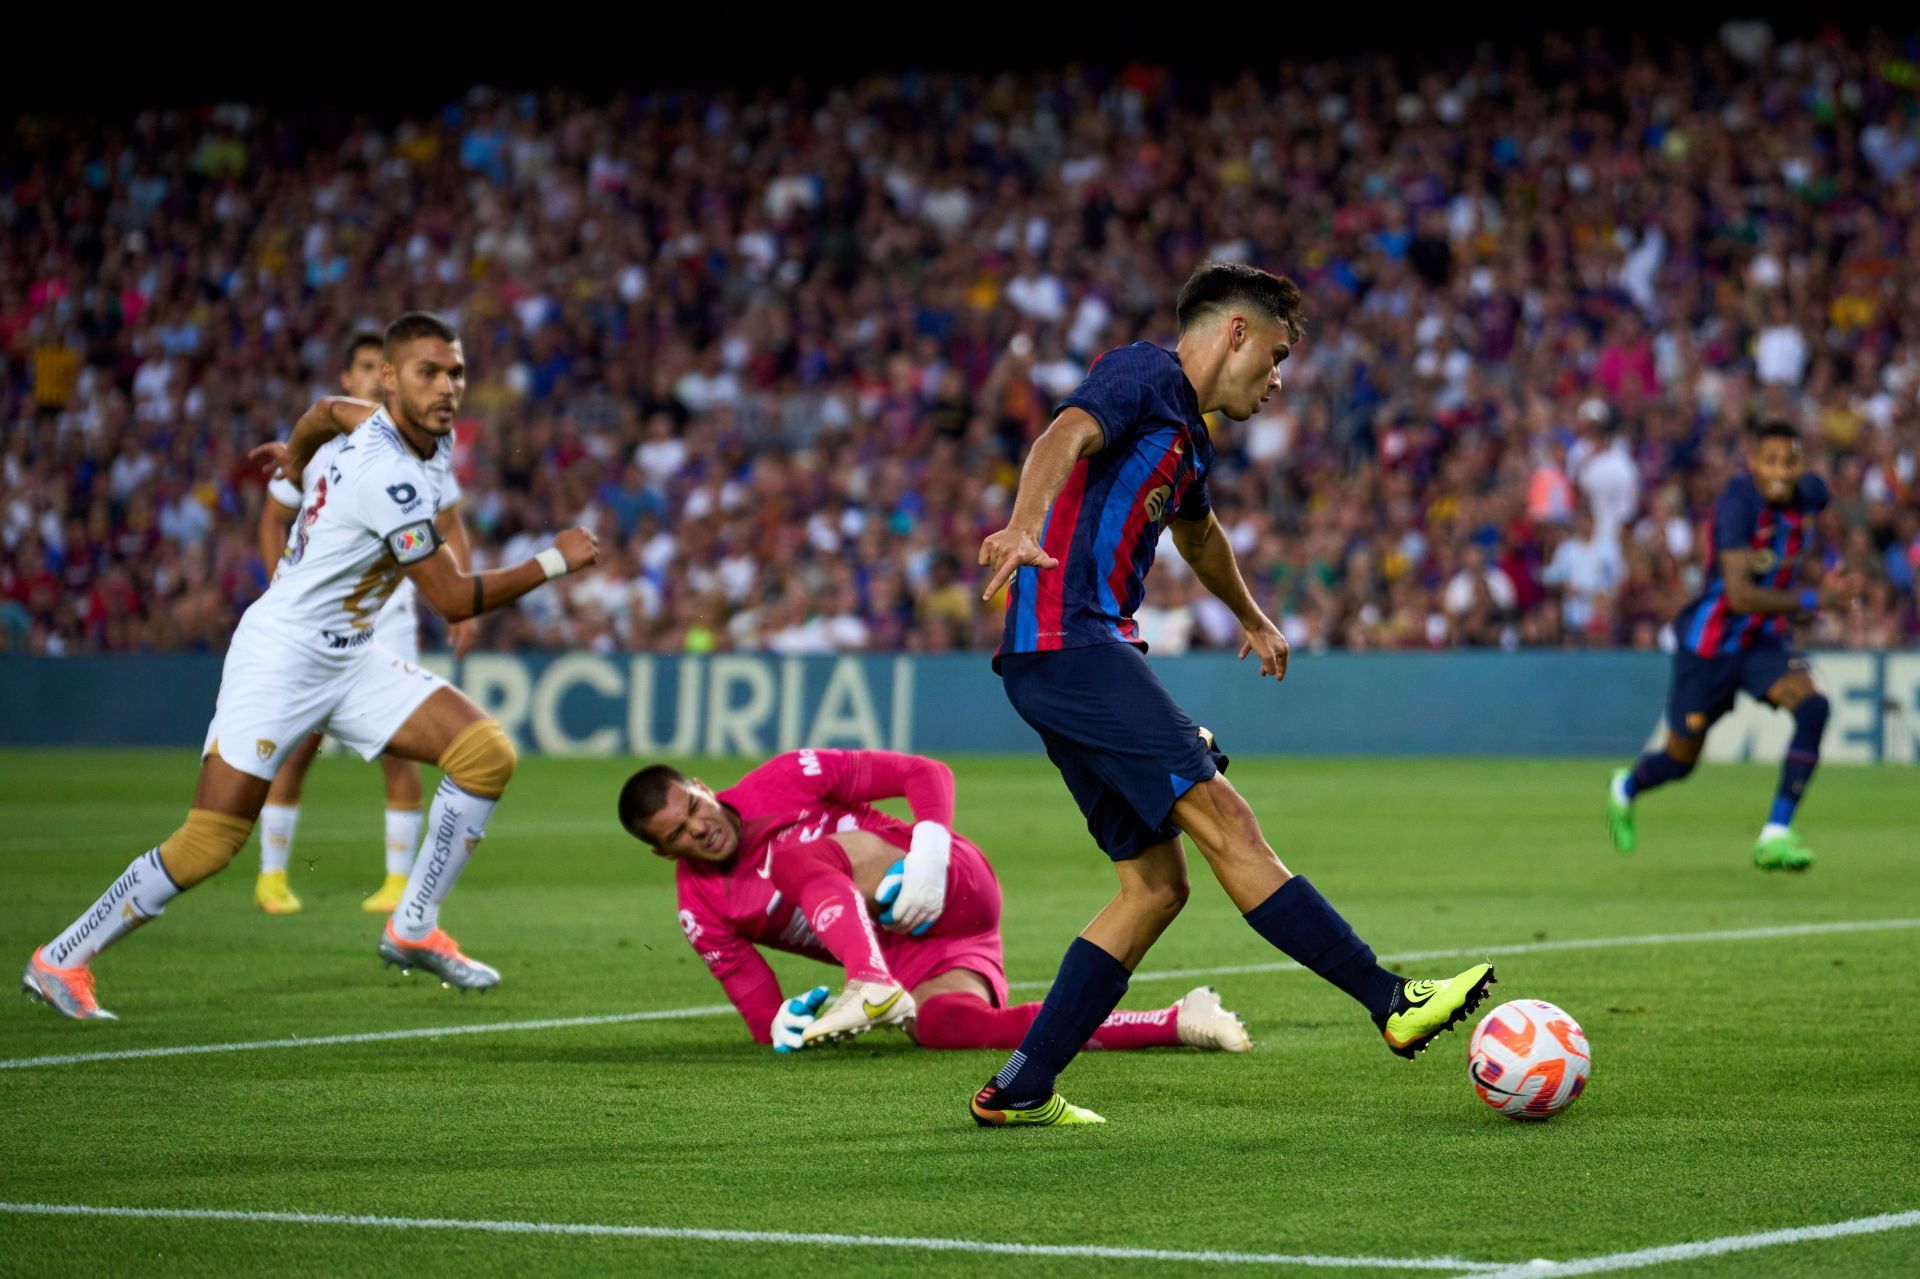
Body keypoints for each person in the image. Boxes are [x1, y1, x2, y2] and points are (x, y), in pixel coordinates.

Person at [971, 261, 1495, 1127]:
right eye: (1279, 354)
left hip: (1064, 657)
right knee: (1228, 819)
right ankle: (1390, 1000)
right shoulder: (1145, 374)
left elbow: (1200, 531)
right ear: (1237, 332)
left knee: (1154, 887)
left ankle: (1020, 1086)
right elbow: (1061, 435)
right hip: (1074, 643)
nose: (1280, 379)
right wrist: (1025, 524)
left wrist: (1253, 617)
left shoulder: (1190, 435)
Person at [20, 312, 598, 1020]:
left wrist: (295, 460)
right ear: (390, 378)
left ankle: (411, 925)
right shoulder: (391, 476)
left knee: (484, 753)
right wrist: (553, 560)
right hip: (282, 656)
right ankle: (61, 957)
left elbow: (325, 410)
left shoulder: (390, 425)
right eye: (428, 372)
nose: (448, 387)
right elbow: (448, 594)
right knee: (210, 841)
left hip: (351, 656)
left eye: (455, 372)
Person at [619, 748, 1252, 1056]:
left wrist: (927, 851)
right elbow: (763, 1017)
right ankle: (1177, 1020)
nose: (698, 828)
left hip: (945, 879)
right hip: (924, 952)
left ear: (701, 788)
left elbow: (927, 775)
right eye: (676, 834)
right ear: (662, 852)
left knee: (790, 861)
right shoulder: (700, 908)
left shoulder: (785, 778)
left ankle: (865, 983)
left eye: (693, 809)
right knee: (948, 1027)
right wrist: (789, 1023)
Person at [251, 331, 478, 916]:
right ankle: (272, 875)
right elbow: (274, 516)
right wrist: (284, 583)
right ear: (356, 377)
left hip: (391, 616)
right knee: (298, 742)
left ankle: (399, 884)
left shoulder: (421, 445)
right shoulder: (326, 447)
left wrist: (462, 594)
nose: (369, 380)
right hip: (317, 620)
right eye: (359, 369)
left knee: (399, 750)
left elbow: (450, 525)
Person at [1608, 421, 1858, 870]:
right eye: (1771, 461)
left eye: (1790, 461)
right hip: (1709, 647)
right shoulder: (1737, 505)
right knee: (1680, 760)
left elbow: (1830, 527)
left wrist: (1836, 568)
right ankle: (1625, 788)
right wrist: (1816, 597)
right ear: (1753, 464)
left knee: (1814, 708)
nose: (1781, 471)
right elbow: (1740, 595)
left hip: (1761, 642)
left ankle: (1776, 833)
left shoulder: (1812, 494)